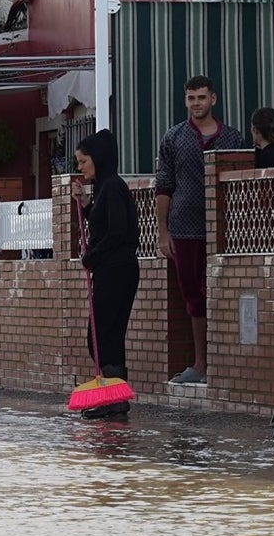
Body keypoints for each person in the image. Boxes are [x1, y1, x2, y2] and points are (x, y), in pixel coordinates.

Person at [155, 75, 245, 385]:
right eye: (191, 98)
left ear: (213, 100)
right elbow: (164, 186)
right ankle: (200, 364)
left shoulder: (233, 139)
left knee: (224, 293)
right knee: (193, 296)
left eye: (202, 98)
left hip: (226, 230)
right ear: (185, 101)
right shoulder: (173, 138)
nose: (197, 104)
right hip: (185, 229)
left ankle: (227, 363)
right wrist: (163, 231)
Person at [73, 129, 141, 419]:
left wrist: (92, 257)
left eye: (83, 161)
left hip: (117, 270)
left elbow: (116, 232)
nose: (80, 167)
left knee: (102, 336)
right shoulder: (104, 188)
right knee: (105, 335)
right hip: (110, 269)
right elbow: (102, 224)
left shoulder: (113, 187)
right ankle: (114, 397)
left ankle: (115, 398)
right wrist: (86, 205)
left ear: (98, 159)